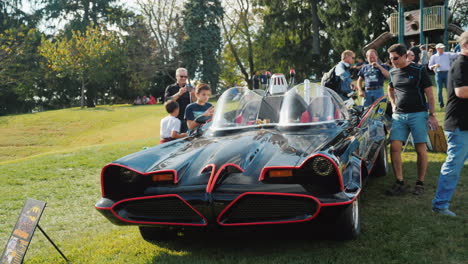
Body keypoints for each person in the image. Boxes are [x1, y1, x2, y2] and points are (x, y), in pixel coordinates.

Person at [386, 43, 438, 196]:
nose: (393, 61)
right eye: (390, 59)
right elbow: (390, 88)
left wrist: (432, 114)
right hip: (399, 116)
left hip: (418, 114)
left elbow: (429, 94)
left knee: (420, 148)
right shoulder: (393, 72)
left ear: (404, 56)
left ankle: (420, 183)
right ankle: (400, 182)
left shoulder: (419, 70)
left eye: (395, 58)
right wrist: (394, 104)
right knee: (394, 147)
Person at [432, 32, 468, 217]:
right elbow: (461, 91)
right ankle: (440, 205)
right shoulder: (461, 64)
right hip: (459, 125)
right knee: (453, 166)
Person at [428, 43, 460, 108]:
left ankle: (450, 103)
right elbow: (429, 66)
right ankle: (441, 104)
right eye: (441, 48)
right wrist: (434, 65)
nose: (442, 49)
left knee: (449, 89)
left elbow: (457, 54)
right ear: (437, 49)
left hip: (447, 73)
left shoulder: (447, 54)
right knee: (439, 90)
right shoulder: (433, 57)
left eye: (443, 48)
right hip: (438, 74)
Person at [164, 68, 194, 132]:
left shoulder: (190, 88)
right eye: (181, 76)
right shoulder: (170, 88)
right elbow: (167, 101)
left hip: (188, 119)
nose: (183, 78)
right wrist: (179, 94)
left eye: (185, 76)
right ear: (176, 76)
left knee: (189, 139)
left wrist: (193, 94)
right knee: (176, 139)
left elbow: (195, 102)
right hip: (175, 119)